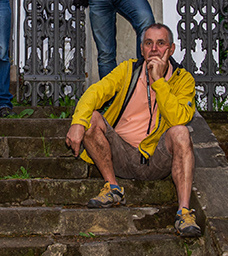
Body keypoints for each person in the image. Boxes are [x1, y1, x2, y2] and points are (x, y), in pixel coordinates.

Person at [65, 23, 200, 238]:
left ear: (171, 49)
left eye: (161, 43)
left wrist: (158, 82)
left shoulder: (184, 80)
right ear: (142, 49)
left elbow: (179, 118)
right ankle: (112, 187)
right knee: (90, 118)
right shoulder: (128, 70)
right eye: (149, 43)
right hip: (121, 154)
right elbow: (97, 91)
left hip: (157, 158)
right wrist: (77, 122)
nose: (154, 49)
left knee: (181, 132)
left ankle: (184, 212)